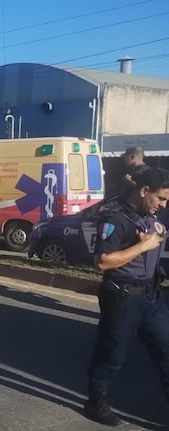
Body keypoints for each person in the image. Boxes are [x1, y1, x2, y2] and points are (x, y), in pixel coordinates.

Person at [83, 166, 169, 427]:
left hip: (151, 297)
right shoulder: (114, 218)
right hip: (122, 298)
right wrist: (142, 245)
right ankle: (96, 403)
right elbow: (103, 262)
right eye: (161, 198)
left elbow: (157, 234)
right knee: (112, 355)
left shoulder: (149, 213)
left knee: (166, 351)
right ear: (144, 191)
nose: (164, 204)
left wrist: (156, 237)